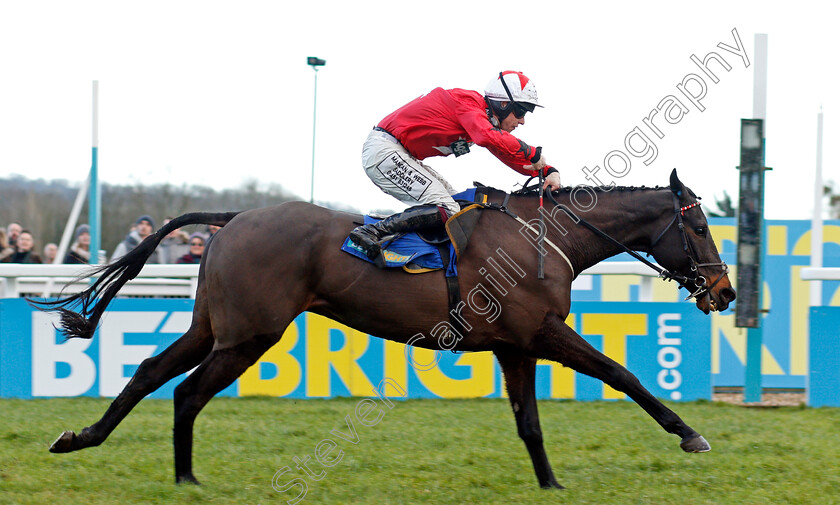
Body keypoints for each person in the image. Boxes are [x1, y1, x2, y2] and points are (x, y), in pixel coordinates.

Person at [349, 71, 562, 262]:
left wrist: (547, 171)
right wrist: (532, 152)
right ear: (503, 104)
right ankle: (372, 232)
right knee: (449, 209)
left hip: (399, 152)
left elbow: (501, 148)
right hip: (384, 150)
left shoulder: (481, 118)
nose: (523, 121)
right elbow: (487, 137)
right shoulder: (469, 103)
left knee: (460, 209)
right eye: (521, 112)